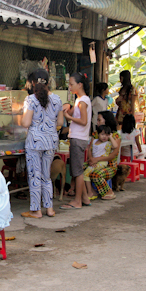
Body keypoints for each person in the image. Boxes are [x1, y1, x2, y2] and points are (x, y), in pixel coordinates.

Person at [20, 69, 64, 218]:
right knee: (46, 175)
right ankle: (49, 209)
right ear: (49, 82)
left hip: (34, 142)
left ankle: (36, 210)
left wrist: (20, 118)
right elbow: (60, 122)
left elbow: (26, 122)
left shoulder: (31, 100)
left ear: (33, 83)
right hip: (51, 142)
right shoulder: (57, 99)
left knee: (34, 175)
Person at [60, 73, 92, 209]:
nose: (70, 87)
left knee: (77, 171)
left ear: (80, 85)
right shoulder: (80, 100)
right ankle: (84, 198)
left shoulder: (83, 101)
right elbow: (72, 111)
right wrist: (68, 108)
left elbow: (84, 121)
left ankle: (77, 201)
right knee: (77, 169)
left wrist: (69, 117)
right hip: (78, 138)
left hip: (79, 138)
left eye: (72, 84)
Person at [86, 110, 121, 200]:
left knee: (95, 174)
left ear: (106, 120)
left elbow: (113, 155)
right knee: (78, 168)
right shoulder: (96, 134)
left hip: (109, 166)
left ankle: (109, 192)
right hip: (94, 162)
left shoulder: (115, 136)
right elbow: (90, 148)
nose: (97, 122)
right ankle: (75, 190)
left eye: (99, 120)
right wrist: (91, 159)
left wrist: (96, 160)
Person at [84, 125, 113, 199]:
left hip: (101, 162)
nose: (104, 137)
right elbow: (90, 150)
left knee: (86, 173)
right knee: (80, 168)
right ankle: (90, 191)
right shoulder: (94, 141)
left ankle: (90, 192)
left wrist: (111, 137)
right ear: (98, 134)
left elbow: (115, 146)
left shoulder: (107, 143)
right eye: (102, 134)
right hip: (93, 161)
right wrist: (91, 160)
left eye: (107, 135)